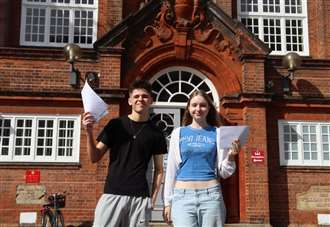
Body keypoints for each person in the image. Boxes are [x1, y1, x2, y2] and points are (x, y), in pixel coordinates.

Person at [82, 80, 167, 227]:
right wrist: (89, 132)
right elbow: (94, 157)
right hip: (112, 194)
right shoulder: (116, 125)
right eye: (136, 96)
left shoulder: (156, 133)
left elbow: (159, 170)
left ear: (151, 100)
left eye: (145, 96)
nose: (140, 99)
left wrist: (153, 199)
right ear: (129, 101)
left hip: (140, 198)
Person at [163, 90, 240, 227]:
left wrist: (230, 156)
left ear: (209, 108)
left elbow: (224, 172)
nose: (198, 109)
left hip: (211, 196)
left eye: (203, 105)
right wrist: (167, 202)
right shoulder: (178, 133)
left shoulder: (218, 133)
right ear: (188, 108)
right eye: (194, 105)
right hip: (182, 197)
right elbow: (171, 170)